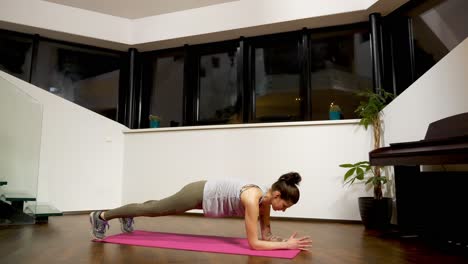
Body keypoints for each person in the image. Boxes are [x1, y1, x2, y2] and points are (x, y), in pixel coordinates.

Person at [89, 172, 312, 251]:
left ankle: (129, 213)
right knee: (155, 209)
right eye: (285, 206)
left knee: (155, 206)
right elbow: (254, 243)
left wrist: (282, 241)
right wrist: (285, 246)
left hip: (207, 197)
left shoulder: (265, 201)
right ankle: (100, 216)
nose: (282, 211)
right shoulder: (254, 199)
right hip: (199, 193)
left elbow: (266, 236)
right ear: (277, 196)